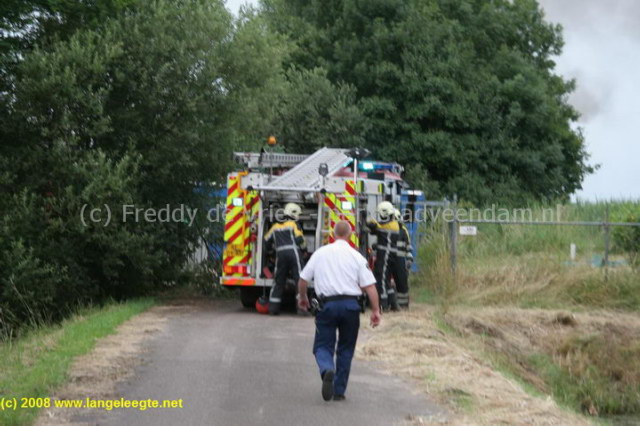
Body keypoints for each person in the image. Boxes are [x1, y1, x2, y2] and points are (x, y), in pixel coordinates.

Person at [297, 221, 381, 401]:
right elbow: (370, 286)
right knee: (346, 348)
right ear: (350, 235)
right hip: (351, 306)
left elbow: (303, 279)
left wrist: (303, 298)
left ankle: (327, 368)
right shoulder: (357, 256)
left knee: (322, 346)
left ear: (333, 234)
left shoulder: (320, 253)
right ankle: (339, 390)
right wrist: (376, 310)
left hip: (326, 306)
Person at [264, 202, 306, 315]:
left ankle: (273, 308)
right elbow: (300, 240)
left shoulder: (275, 227)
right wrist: (304, 251)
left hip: (280, 255)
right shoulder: (294, 224)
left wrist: (270, 252)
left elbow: (266, 241)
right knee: (299, 279)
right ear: (294, 213)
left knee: (278, 280)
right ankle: (301, 308)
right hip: (293, 254)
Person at [366, 201, 401, 311]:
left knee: (381, 280)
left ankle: (383, 305)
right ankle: (394, 304)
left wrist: (369, 222)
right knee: (385, 281)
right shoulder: (392, 224)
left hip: (386, 256)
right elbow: (378, 229)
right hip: (388, 256)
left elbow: (377, 228)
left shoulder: (390, 226)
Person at [393, 208, 413, 308]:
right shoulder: (386, 229)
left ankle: (403, 305)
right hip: (388, 259)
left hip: (400, 260)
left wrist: (409, 260)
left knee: (402, 282)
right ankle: (390, 304)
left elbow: (408, 246)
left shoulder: (403, 230)